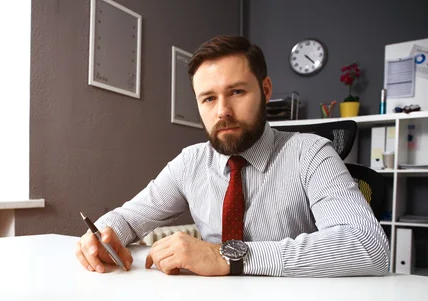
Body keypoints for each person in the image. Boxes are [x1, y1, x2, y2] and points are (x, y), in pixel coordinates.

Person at [75, 35, 389, 277]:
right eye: (208, 98)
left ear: (265, 90)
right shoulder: (191, 162)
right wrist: (104, 234)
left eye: (237, 92)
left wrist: (227, 256)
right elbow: (128, 218)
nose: (222, 111)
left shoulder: (310, 153)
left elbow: (369, 246)